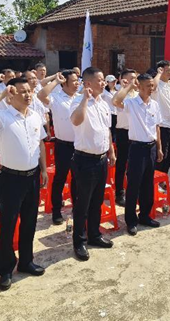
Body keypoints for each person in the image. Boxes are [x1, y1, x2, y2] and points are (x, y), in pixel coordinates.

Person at [0, 77, 48, 291]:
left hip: (32, 176)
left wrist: (44, 169)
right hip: (11, 178)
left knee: (30, 221)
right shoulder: (3, 117)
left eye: (29, 91)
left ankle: (26, 261)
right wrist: (1, 95)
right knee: (8, 224)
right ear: (11, 95)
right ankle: (6, 269)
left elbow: (40, 143)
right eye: (22, 91)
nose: (27, 95)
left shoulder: (35, 116)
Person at [69, 67, 116, 261]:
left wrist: (111, 151)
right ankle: (79, 241)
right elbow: (76, 120)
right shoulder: (77, 102)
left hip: (101, 159)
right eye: (100, 80)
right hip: (85, 160)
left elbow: (107, 130)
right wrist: (84, 99)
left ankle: (94, 235)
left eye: (104, 79)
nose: (103, 83)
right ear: (88, 83)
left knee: (97, 200)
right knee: (83, 203)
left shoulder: (103, 103)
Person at [113, 74, 163, 235]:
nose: (151, 88)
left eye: (152, 85)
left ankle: (145, 216)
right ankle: (131, 220)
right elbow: (116, 101)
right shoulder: (131, 103)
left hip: (151, 148)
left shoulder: (154, 105)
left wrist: (159, 148)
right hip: (137, 149)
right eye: (148, 85)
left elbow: (157, 127)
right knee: (134, 185)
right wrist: (128, 86)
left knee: (148, 184)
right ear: (140, 87)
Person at [38, 70, 80, 224]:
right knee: (60, 178)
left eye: (78, 80)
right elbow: (41, 95)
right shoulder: (56, 98)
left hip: (79, 145)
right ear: (64, 83)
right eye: (74, 81)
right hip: (63, 146)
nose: (77, 83)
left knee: (77, 178)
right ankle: (56, 211)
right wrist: (55, 80)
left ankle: (77, 208)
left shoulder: (80, 97)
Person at [152, 61, 170, 190]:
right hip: (161, 125)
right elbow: (153, 86)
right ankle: (156, 181)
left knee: (169, 157)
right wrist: (158, 74)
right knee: (161, 156)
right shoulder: (158, 84)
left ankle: (163, 179)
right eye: (167, 70)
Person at [113, 69, 137, 207]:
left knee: (134, 165)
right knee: (121, 164)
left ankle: (133, 191)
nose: (135, 80)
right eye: (131, 78)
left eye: (135, 77)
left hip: (136, 132)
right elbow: (116, 101)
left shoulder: (138, 94)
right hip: (123, 132)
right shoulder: (120, 92)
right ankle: (119, 193)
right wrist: (125, 87)